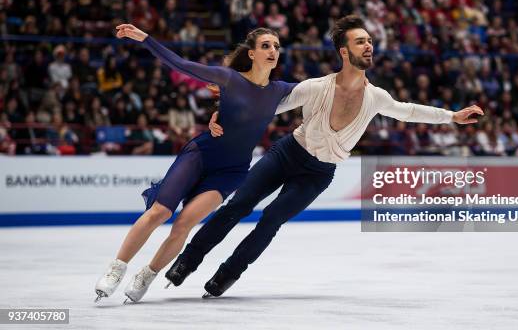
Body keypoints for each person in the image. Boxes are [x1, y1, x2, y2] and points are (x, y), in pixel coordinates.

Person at [166, 15, 484, 296]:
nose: (369, 45)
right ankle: (187, 262)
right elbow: (264, 108)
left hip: (318, 173)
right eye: (361, 41)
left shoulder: (377, 97)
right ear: (344, 52)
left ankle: (227, 274)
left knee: (271, 219)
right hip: (287, 153)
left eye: (370, 41)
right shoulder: (315, 87)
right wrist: (222, 116)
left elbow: (408, 111)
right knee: (238, 204)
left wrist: (451, 116)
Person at [95, 24, 299, 303]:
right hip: (202, 155)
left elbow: (324, 88)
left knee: (184, 225)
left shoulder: (280, 90)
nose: (273, 51)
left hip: (231, 171)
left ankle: (148, 274)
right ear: (251, 53)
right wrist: (146, 38)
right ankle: (116, 268)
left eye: (276, 46)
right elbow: (180, 64)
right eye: (266, 46)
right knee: (160, 212)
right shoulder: (228, 78)